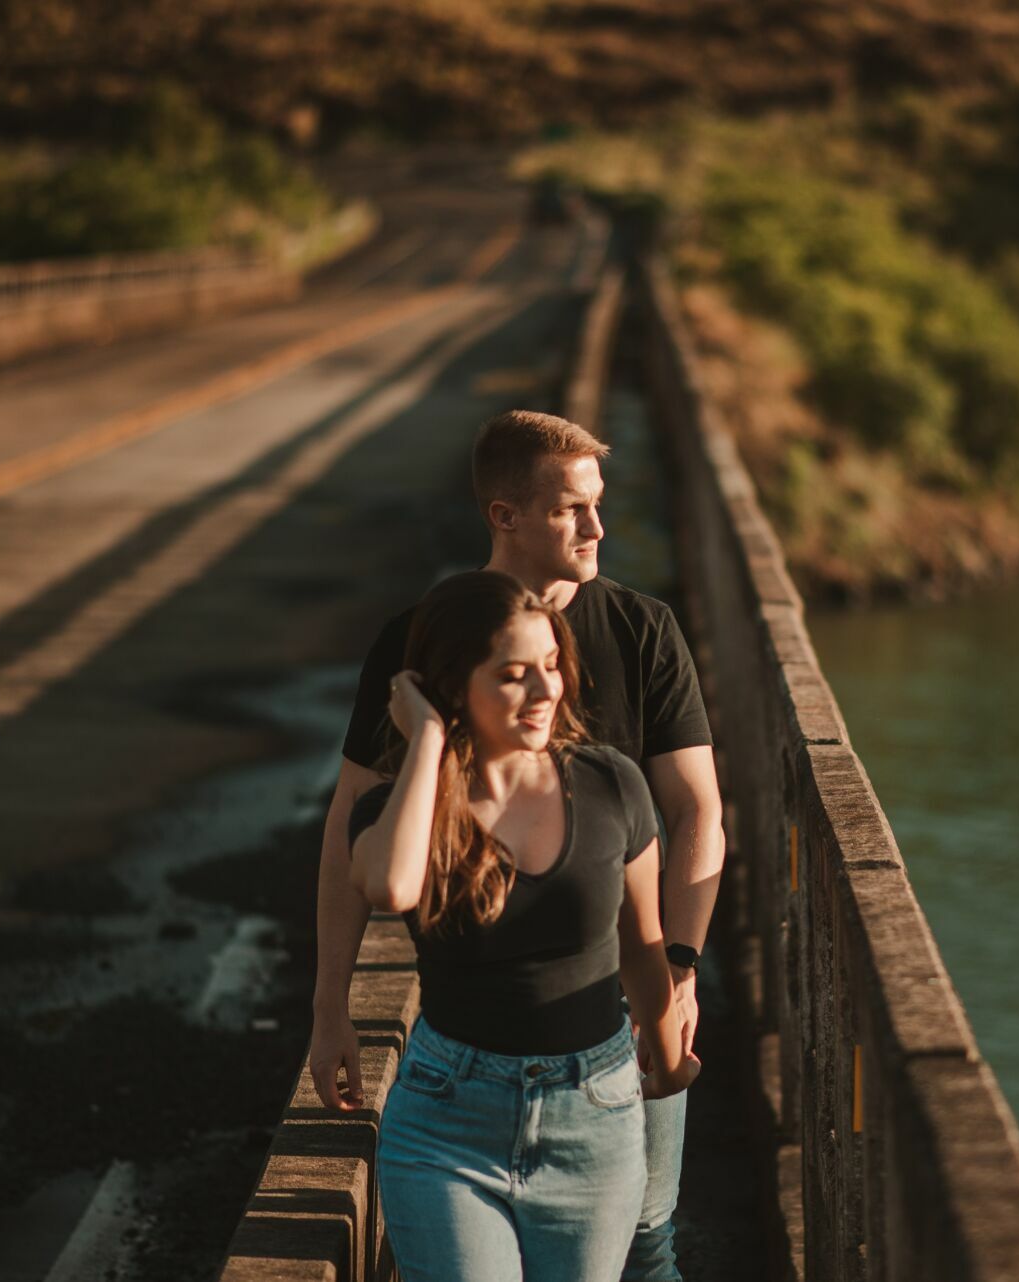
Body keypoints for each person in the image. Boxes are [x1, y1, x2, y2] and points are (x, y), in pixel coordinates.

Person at [311, 410, 723, 1282]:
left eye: (599, 504)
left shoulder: (643, 630)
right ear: (505, 515)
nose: (598, 528)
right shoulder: (420, 643)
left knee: (650, 1241)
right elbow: (354, 830)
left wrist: (679, 970)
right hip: (465, 1049)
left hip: (615, 1027)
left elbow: (696, 813)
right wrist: (328, 1004)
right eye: (572, 509)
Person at [350, 571, 699, 1280]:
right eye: (513, 676)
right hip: (447, 1122)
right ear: (452, 688)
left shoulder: (612, 784)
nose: (545, 691)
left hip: (593, 1118)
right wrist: (427, 741)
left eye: (551, 666)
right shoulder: (400, 812)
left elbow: (641, 945)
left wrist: (668, 1061)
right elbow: (390, 886)